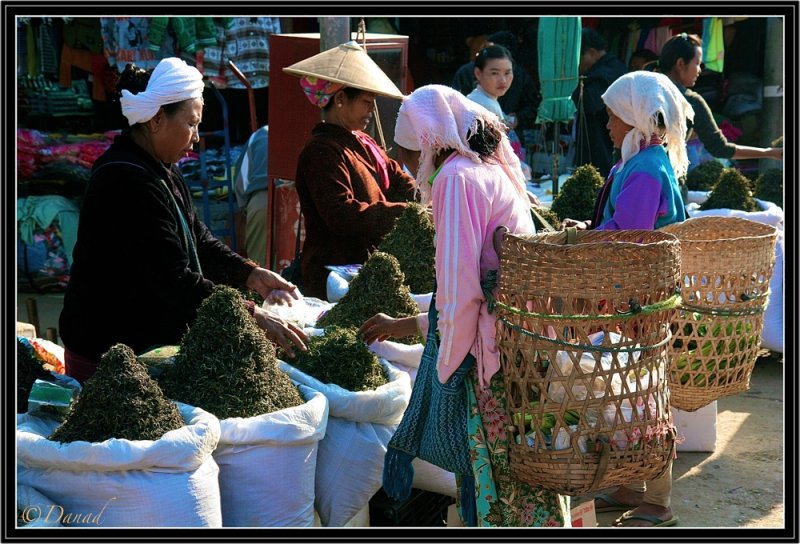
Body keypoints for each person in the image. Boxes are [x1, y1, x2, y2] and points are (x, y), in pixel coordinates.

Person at [362, 84, 569, 527]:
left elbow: (460, 292)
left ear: (430, 141)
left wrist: (446, 371)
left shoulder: (456, 178)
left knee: (494, 476)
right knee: (523, 467)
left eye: (408, 151)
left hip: (489, 360)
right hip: (522, 347)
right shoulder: (488, 169)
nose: (409, 164)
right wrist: (414, 325)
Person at [59, 57, 308, 385]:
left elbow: (199, 239)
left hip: (147, 346)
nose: (197, 137)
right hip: (109, 353)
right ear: (157, 120)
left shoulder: (161, 168)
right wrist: (251, 313)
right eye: (191, 123)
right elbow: (172, 278)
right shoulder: (123, 180)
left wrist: (250, 274)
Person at [564, 70, 695, 527]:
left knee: (646, 394)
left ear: (634, 116)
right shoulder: (635, 161)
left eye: (613, 115)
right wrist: (589, 229)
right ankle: (629, 483)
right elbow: (617, 222)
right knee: (624, 389)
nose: (607, 124)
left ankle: (658, 501)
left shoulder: (646, 166)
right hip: (631, 297)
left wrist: (583, 243)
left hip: (642, 301)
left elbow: (630, 236)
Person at [285, 41, 418, 299]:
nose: (372, 110)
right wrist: (407, 213)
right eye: (367, 102)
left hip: (370, 267)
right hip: (334, 274)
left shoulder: (364, 143)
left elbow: (400, 180)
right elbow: (341, 215)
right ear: (341, 99)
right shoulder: (320, 152)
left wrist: (424, 201)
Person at [658, 33, 783, 170]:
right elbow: (720, 148)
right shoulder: (690, 102)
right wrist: (769, 153)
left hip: (632, 175)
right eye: (698, 63)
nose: (700, 70)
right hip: (662, 178)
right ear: (680, 64)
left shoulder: (639, 90)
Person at [451, 30, 541, 148]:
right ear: (478, 74)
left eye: (507, 72)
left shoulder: (520, 75)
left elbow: (533, 106)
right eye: (494, 73)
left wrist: (517, 119)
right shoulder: (468, 74)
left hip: (509, 142)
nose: (503, 80)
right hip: (475, 146)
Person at [571, 27, 628, 178]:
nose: (576, 65)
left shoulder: (606, 74)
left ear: (591, 52)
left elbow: (588, 103)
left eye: (577, 58)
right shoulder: (614, 67)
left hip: (604, 147)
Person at [233, 125, 269, 267]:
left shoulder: (260, 134)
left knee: (262, 273)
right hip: (300, 201)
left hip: (261, 202)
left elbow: (240, 182)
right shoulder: (314, 132)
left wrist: (245, 207)